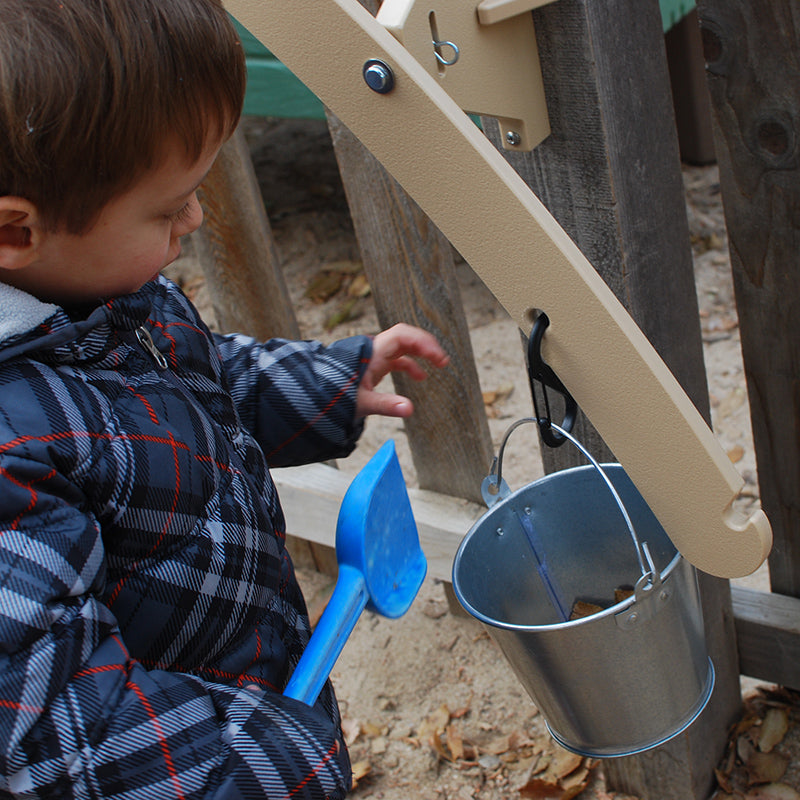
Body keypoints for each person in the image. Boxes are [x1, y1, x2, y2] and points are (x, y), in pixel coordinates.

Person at [0, 0, 449, 797]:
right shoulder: (11, 461)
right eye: (168, 208)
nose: (197, 217)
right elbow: (70, 739)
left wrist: (327, 383)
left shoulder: (98, 297)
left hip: (250, 684)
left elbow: (198, 380)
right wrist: (281, 763)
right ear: (14, 232)